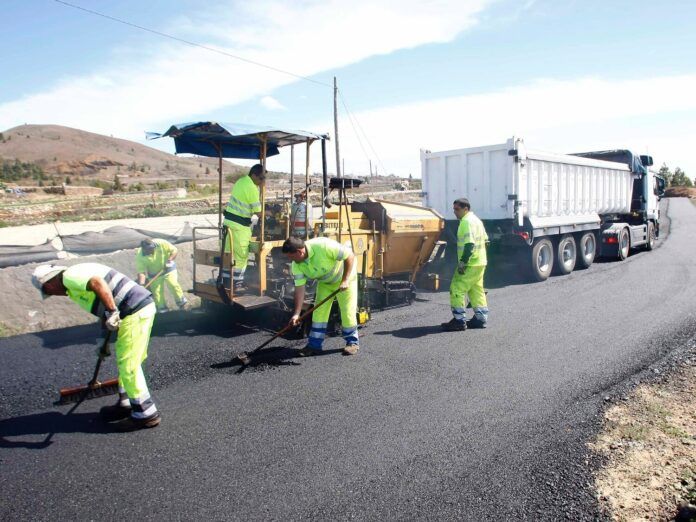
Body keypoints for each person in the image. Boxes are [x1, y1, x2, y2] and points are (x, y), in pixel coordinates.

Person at [31, 263, 160, 431]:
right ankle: (126, 403)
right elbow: (101, 307)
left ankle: (145, 414)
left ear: (49, 283)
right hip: (134, 310)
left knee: (129, 364)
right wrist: (103, 341)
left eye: (48, 291)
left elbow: (97, 283)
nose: (52, 294)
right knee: (127, 360)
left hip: (133, 310)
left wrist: (112, 312)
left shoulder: (69, 276)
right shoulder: (73, 282)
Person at [283, 236, 360, 356]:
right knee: (319, 313)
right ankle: (314, 345)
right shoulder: (296, 265)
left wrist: (345, 280)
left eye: (291, 256)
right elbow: (299, 288)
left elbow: (349, 255)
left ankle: (352, 342)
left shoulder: (323, 246)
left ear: (300, 252)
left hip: (345, 280)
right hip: (325, 283)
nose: (290, 260)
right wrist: (297, 314)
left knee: (347, 311)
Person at [441, 198, 489, 331]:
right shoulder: (477, 220)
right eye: (454, 209)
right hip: (480, 262)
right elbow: (486, 240)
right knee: (476, 290)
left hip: (470, 264)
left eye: (457, 209)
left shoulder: (466, 222)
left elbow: (469, 244)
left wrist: (463, 262)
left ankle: (459, 320)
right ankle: (481, 319)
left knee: (457, 288)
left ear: (465, 209)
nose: (455, 212)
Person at [222, 164, 266, 291]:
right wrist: (270, 213)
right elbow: (258, 212)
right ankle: (237, 284)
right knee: (241, 255)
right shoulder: (252, 188)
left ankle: (226, 281)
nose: (262, 181)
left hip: (228, 224)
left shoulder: (240, 181)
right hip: (240, 227)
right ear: (254, 175)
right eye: (261, 178)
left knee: (228, 254)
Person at [136, 238, 187, 312]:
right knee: (157, 293)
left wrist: (169, 260)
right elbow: (141, 272)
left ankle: (182, 303)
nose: (152, 251)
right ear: (144, 249)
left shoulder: (161, 243)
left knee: (173, 284)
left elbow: (174, 250)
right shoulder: (140, 256)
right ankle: (162, 309)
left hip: (168, 269)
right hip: (154, 274)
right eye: (149, 250)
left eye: (152, 248)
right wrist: (141, 285)